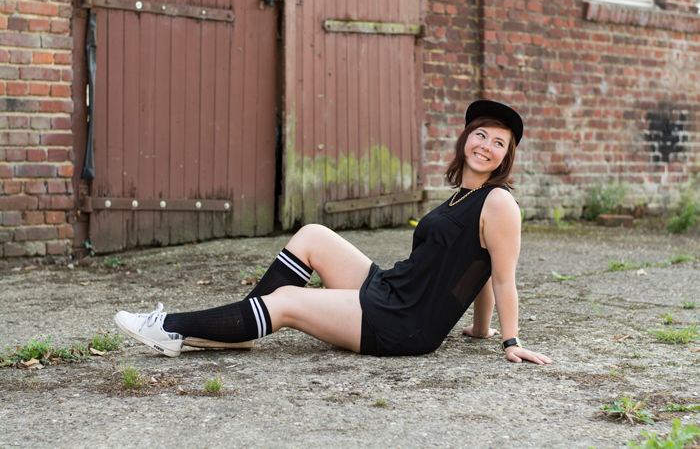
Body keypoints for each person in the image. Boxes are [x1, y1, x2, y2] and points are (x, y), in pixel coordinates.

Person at [115, 100, 551, 365]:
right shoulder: (463, 196)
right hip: (394, 289)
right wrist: (479, 328)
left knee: (287, 301)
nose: (486, 146)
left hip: (405, 322)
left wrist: (510, 341)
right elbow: (477, 266)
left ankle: (169, 328)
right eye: (480, 135)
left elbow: (501, 276)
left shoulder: (499, 202)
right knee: (313, 235)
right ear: (465, 139)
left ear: (506, 157)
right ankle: (242, 327)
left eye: (498, 143)